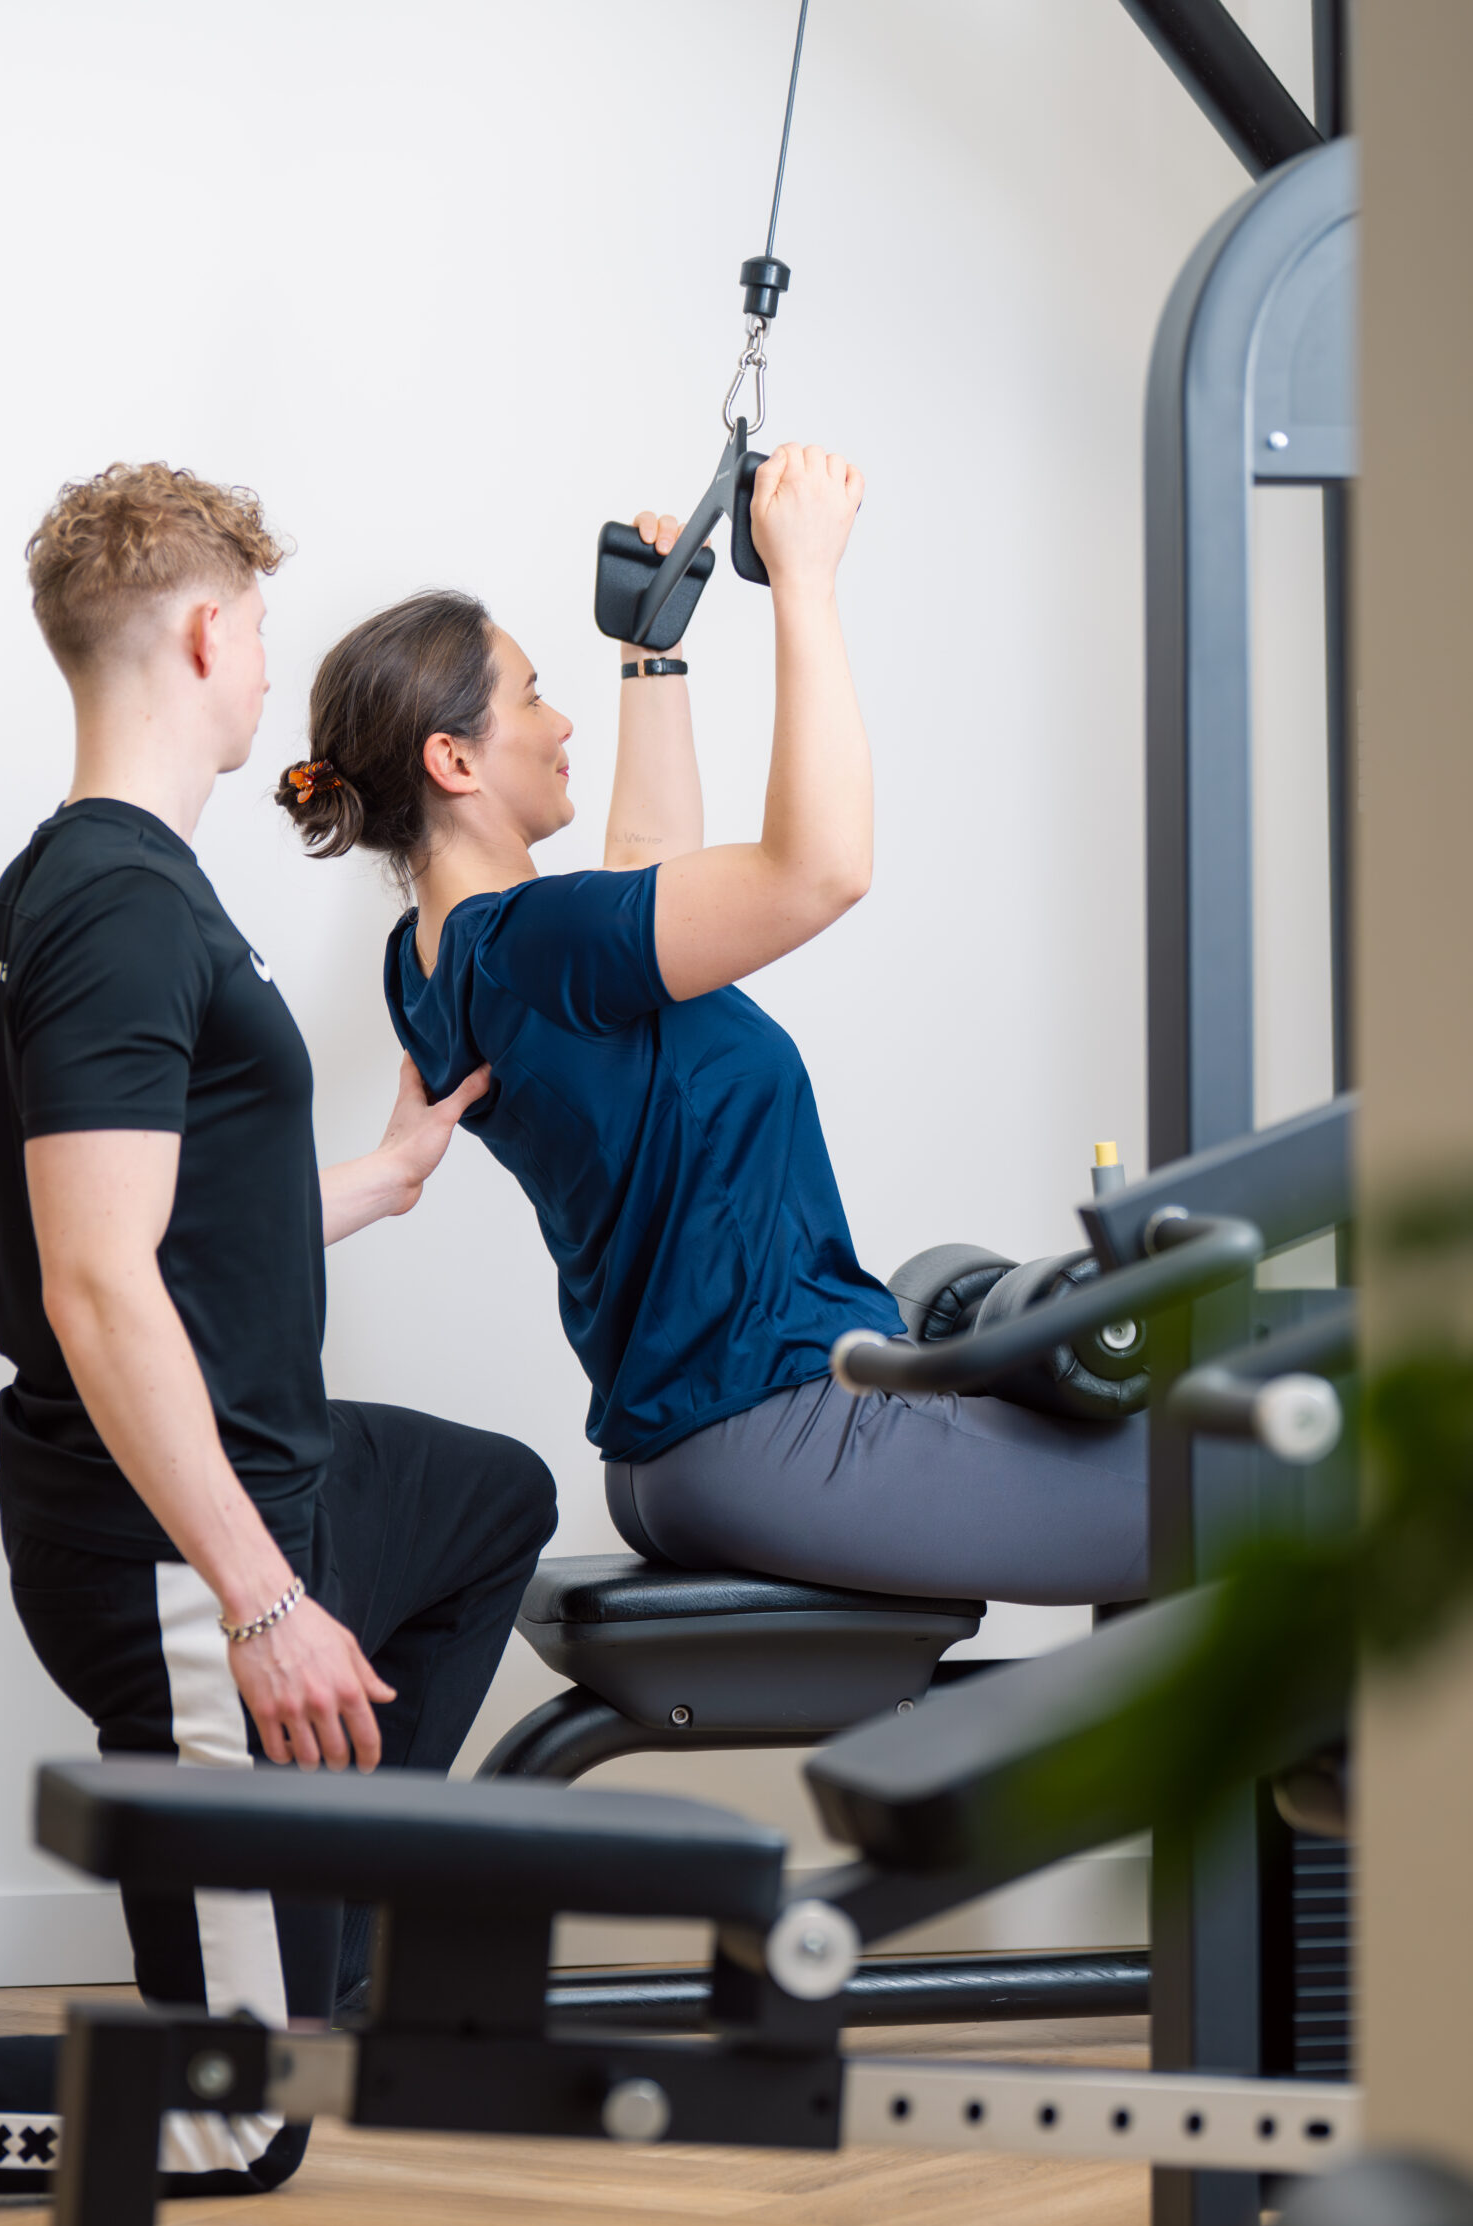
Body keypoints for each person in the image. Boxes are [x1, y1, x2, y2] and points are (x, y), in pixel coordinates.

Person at [0, 464, 557, 2220]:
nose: (262, 669)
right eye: (260, 634)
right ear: (209, 633)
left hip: (255, 1469)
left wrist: (363, 1183)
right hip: (172, 1538)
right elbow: (92, 1282)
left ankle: (305, 1941)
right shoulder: (117, 908)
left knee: (489, 1499)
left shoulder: (104, 888)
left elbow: (166, 1213)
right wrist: (262, 1603)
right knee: (237, 2121)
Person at [275, 445, 1146, 1608]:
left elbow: (646, 880)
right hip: (784, 1432)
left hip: (687, 1457)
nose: (557, 718)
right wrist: (806, 584)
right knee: (1262, 1489)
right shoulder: (527, 938)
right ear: (453, 759)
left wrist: (656, 657)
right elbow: (817, 871)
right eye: (532, 696)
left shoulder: (432, 963)